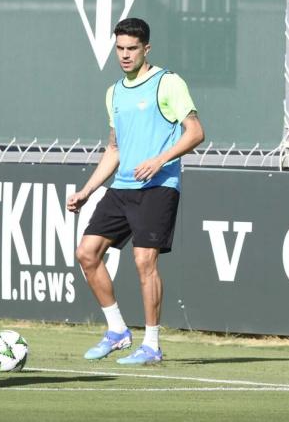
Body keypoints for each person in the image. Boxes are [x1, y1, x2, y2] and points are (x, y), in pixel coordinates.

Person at [67, 18, 205, 365]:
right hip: (122, 188)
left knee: (144, 261)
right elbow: (114, 148)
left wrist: (160, 160)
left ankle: (153, 345)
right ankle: (117, 331)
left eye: (132, 49)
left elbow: (195, 133)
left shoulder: (168, 83)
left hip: (158, 186)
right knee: (87, 253)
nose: (125, 55)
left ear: (147, 49)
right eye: (120, 49)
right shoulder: (114, 91)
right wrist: (87, 190)